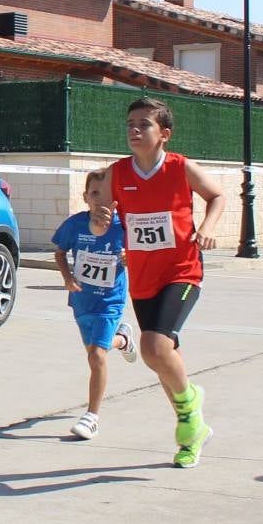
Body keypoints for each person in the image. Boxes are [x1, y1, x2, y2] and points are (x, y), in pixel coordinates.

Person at [91, 97, 225, 468]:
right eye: (130, 123)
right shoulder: (117, 173)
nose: (134, 130)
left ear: (164, 134)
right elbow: (99, 218)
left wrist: (207, 227)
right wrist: (100, 220)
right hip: (143, 277)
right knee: (160, 356)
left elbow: (217, 196)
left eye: (144, 124)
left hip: (182, 271)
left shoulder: (181, 168)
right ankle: (193, 432)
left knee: (153, 343)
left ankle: (189, 413)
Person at [52, 170, 137, 440]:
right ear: (86, 197)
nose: (101, 200)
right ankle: (123, 339)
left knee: (96, 357)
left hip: (111, 299)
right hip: (82, 300)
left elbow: (141, 253)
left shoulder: (123, 226)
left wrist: (129, 257)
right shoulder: (75, 225)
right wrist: (67, 277)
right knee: (94, 351)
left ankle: (92, 417)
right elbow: (59, 252)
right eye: (95, 193)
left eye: (107, 194)